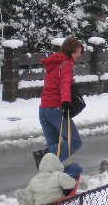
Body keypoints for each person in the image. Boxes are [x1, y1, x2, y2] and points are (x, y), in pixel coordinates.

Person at [34, 36, 84, 179]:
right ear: (71, 51)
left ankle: (49, 182)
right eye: (78, 52)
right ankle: (43, 156)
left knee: (55, 149)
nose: (79, 55)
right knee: (74, 142)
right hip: (56, 109)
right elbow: (64, 84)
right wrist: (66, 103)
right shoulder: (66, 64)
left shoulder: (54, 63)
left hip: (44, 110)